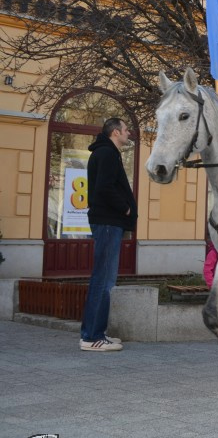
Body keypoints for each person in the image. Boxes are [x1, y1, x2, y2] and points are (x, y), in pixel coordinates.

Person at [80, 117, 137, 352]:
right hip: (107, 222)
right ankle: (92, 337)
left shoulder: (107, 153)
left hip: (109, 222)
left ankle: (96, 333)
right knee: (102, 280)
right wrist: (124, 207)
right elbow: (104, 187)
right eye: (125, 130)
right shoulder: (107, 154)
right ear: (115, 132)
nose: (128, 133)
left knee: (105, 280)